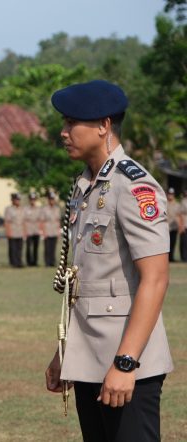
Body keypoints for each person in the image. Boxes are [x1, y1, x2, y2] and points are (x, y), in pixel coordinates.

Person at [45, 80, 173, 441]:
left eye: (72, 123)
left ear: (103, 125)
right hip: (88, 358)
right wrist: (64, 354)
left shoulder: (133, 186)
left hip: (126, 362)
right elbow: (84, 284)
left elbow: (156, 279)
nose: (64, 132)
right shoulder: (86, 186)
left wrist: (126, 362)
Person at [39, 191, 61, 267]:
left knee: (53, 248)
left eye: (53, 199)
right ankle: (47, 262)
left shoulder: (57, 209)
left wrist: (58, 232)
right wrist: (43, 232)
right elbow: (42, 221)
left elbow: (58, 221)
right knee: (47, 248)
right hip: (47, 231)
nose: (52, 200)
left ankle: (52, 261)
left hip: (54, 231)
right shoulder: (44, 209)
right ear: (48, 200)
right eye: (50, 199)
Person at [4, 193, 25, 268]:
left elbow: (23, 222)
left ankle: (19, 261)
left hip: (20, 231)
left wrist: (24, 232)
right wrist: (8, 231)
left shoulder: (22, 209)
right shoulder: (9, 209)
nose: (18, 201)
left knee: (19, 248)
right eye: (16, 200)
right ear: (12, 200)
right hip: (12, 231)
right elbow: (7, 222)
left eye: (19, 200)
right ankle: (13, 262)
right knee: (12, 248)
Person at [24, 191, 41, 266]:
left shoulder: (39, 209)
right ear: (29, 200)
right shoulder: (25, 209)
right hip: (29, 230)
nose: (32, 201)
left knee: (35, 247)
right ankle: (28, 262)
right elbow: (24, 220)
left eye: (34, 199)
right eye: (31, 199)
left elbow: (40, 220)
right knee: (28, 247)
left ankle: (35, 261)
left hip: (36, 230)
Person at [166, 188, 181, 262]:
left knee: (173, 243)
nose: (170, 195)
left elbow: (179, 215)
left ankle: (171, 257)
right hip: (166, 227)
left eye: (171, 194)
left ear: (174, 195)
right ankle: (166, 258)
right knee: (166, 244)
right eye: (169, 194)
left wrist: (180, 226)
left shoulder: (177, 204)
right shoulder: (164, 203)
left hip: (174, 227)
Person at [181, 190, 187, 262]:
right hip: (185, 224)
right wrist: (181, 225)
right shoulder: (183, 202)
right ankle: (184, 257)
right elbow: (181, 214)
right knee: (184, 242)